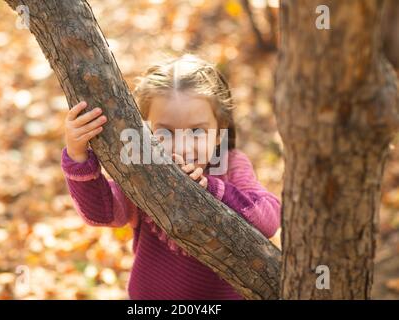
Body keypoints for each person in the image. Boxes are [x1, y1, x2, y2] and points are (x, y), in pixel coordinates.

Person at [60, 53, 281, 299]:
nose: (182, 147)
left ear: (220, 132)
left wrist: (212, 189)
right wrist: (77, 155)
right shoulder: (145, 171)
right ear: (146, 131)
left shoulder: (230, 166)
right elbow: (101, 213)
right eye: (165, 132)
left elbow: (270, 219)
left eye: (197, 131)